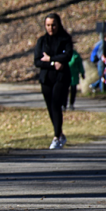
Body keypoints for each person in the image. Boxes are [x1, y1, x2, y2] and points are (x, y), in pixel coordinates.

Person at [34, 13, 73, 149]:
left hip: (61, 78)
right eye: (48, 25)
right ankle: (60, 133)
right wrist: (53, 63)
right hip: (46, 78)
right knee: (50, 107)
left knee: (56, 104)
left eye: (53, 25)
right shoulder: (42, 41)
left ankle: (56, 137)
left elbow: (67, 55)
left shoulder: (65, 39)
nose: (51, 28)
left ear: (58, 25)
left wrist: (50, 58)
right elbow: (37, 61)